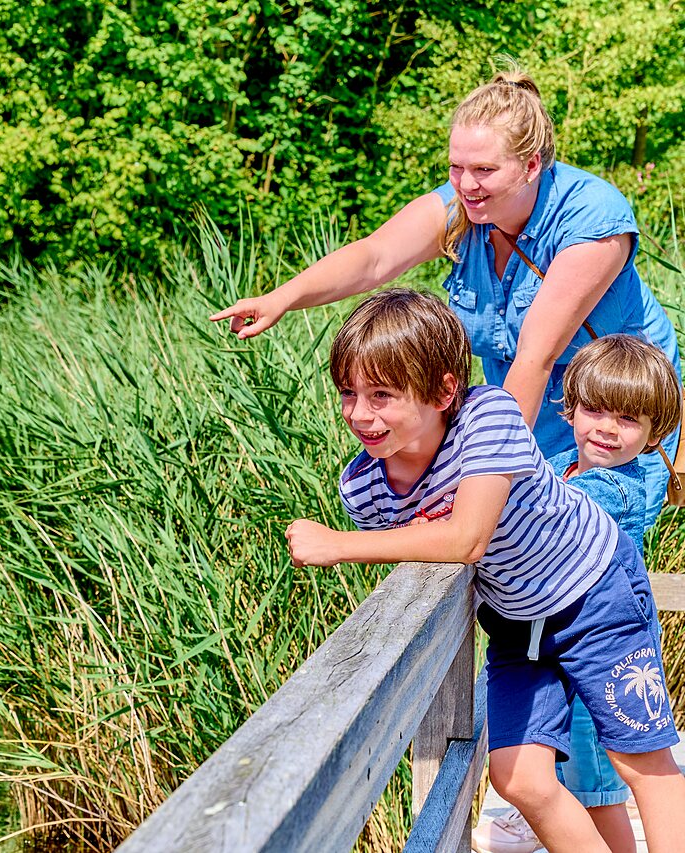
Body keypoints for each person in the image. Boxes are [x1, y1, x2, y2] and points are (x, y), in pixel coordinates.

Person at [284, 289, 685, 852]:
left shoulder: (486, 417)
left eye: (382, 395)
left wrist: (339, 545)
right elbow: (420, 552)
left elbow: (467, 538)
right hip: (519, 620)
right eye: (348, 394)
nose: (359, 414)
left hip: (594, 591)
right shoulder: (365, 486)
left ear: (445, 390)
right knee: (518, 775)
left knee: (641, 759)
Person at [209, 68, 681, 521]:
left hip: (615, 413)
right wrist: (281, 298)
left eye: (484, 169)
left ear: (532, 165)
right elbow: (374, 257)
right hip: (520, 405)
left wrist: (479, 485)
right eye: (456, 168)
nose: (467, 184)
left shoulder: (592, 219)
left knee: (572, 547)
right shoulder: (465, 208)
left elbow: (535, 357)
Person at [473, 335, 683, 853]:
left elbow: (535, 515)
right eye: (595, 409)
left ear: (656, 432)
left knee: (610, 778)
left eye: (629, 420)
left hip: (597, 638)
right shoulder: (562, 462)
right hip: (540, 640)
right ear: (569, 408)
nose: (607, 430)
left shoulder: (618, 487)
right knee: (563, 781)